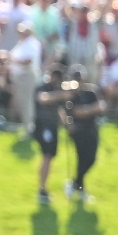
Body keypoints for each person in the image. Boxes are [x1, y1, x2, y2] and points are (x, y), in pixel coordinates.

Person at [62, 64, 105, 203]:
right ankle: (80, 188)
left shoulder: (91, 92)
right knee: (82, 159)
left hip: (91, 129)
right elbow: (74, 112)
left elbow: (100, 107)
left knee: (91, 159)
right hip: (78, 131)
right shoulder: (70, 95)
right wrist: (89, 111)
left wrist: (85, 111)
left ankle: (75, 184)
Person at [33, 65, 66, 205]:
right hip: (43, 126)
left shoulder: (56, 90)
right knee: (46, 156)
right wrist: (63, 94)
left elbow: (59, 109)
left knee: (50, 156)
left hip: (53, 127)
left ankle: (43, 187)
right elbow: (43, 99)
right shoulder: (42, 88)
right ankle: (42, 188)